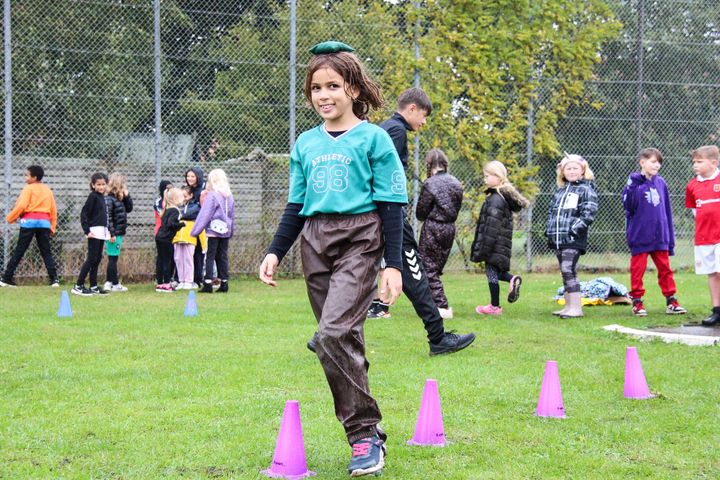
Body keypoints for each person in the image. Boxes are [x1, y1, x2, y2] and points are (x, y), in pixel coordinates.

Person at [259, 40, 407, 477]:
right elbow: (295, 206)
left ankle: (364, 435)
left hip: (361, 237)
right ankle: (371, 436)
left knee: (330, 335)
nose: (324, 95)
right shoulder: (304, 144)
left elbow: (393, 205)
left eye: (333, 86)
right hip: (315, 240)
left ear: (354, 90)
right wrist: (273, 251)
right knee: (340, 341)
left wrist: (393, 264)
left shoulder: (375, 139)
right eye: (316, 88)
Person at [362, 87, 475, 355]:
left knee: (358, 273)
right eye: (423, 116)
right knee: (415, 273)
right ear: (411, 108)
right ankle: (438, 339)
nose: (423, 122)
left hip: (373, 213)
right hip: (389, 214)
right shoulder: (397, 131)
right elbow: (380, 171)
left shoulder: (384, 128)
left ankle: (328, 333)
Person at [622, 148, 686, 316]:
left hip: (659, 234)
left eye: (659, 162)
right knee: (638, 270)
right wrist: (635, 186)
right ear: (642, 162)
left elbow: (666, 210)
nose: (657, 165)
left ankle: (671, 300)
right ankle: (637, 301)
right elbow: (629, 207)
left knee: (665, 269)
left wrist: (669, 235)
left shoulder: (661, 182)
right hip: (641, 235)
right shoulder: (633, 182)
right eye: (653, 161)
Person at [471, 160, 529, 315]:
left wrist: (484, 248)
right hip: (500, 244)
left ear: (498, 177)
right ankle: (512, 279)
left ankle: (494, 307)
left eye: (488, 176)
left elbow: (491, 226)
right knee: (496, 272)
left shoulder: (495, 199)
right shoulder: (500, 197)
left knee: (491, 273)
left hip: (493, 244)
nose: (485, 179)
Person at [545, 154, 598, 318]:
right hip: (559, 240)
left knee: (568, 269)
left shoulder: (586, 189)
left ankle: (576, 308)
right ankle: (568, 306)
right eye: (568, 168)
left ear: (583, 170)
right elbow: (551, 212)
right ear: (562, 171)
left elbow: (589, 214)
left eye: (575, 168)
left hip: (573, 239)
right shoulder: (560, 192)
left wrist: (574, 229)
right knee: (566, 271)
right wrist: (549, 230)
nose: (572, 171)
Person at [416, 148, 464, 319]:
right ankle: (431, 304)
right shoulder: (456, 183)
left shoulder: (429, 184)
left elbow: (420, 212)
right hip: (450, 228)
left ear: (428, 165)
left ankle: (441, 306)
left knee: (428, 268)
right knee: (435, 268)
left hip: (433, 228)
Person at [0, 165, 59, 287]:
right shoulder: (48, 190)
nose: (25, 177)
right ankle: (54, 280)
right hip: (44, 223)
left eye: (27, 175)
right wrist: (52, 226)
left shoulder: (28, 189)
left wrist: (10, 218)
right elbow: (53, 210)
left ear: (34, 177)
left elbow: (21, 206)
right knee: (46, 251)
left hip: (29, 222)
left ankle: (6, 278)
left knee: (20, 250)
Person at [684, 145, 720, 326]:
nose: (695, 165)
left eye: (700, 162)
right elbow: (694, 212)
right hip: (704, 237)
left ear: (713, 163)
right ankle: (717, 310)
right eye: (694, 162)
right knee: (712, 273)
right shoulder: (692, 185)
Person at [191, 169, 234, 293]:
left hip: (213, 230)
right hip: (225, 229)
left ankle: (208, 283)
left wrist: (196, 230)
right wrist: (231, 230)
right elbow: (232, 214)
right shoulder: (229, 195)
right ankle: (224, 283)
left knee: (210, 255)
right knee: (223, 256)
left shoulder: (213, 195)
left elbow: (205, 213)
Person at [72, 172, 110, 296]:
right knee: (91, 258)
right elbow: (84, 214)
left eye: (103, 184)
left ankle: (93, 286)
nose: (101, 187)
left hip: (102, 232)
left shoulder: (102, 198)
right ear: (93, 185)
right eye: (98, 184)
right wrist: (87, 231)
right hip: (94, 231)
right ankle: (78, 285)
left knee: (97, 258)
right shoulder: (93, 196)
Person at [103, 173, 133, 292]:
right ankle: (114, 284)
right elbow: (108, 217)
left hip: (118, 232)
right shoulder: (109, 199)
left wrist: (127, 196)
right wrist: (111, 233)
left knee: (113, 257)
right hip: (114, 233)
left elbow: (129, 208)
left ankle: (109, 282)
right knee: (113, 258)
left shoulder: (119, 198)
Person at [172, 186, 203, 289]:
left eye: (185, 196)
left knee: (188, 259)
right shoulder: (177, 206)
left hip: (189, 237)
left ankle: (189, 281)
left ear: (191, 196)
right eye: (181, 196)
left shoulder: (195, 206)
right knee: (178, 259)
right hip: (177, 237)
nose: (183, 198)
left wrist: (179, 216)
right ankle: (181, 280)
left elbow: (188, 214)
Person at [155, 188, 185, 292]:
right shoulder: (175, 210)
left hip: (159, 237)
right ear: (175, 199)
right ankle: (167, 283)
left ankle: (160, 282)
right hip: (166, 239)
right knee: (167, 260)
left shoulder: (166, 209)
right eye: (182, 197)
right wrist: (182, 224)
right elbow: (171, 224)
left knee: (160, 259)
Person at [185, 167, 206, 286]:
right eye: (188, 176)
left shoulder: (202, 190)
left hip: (200, 226)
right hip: (189, 227)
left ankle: (198, 278)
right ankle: (189, 278)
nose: (190, 178)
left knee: (199, 252)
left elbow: (200, 209)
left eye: (193, 176)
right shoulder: (188, 190)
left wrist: (183, 215)